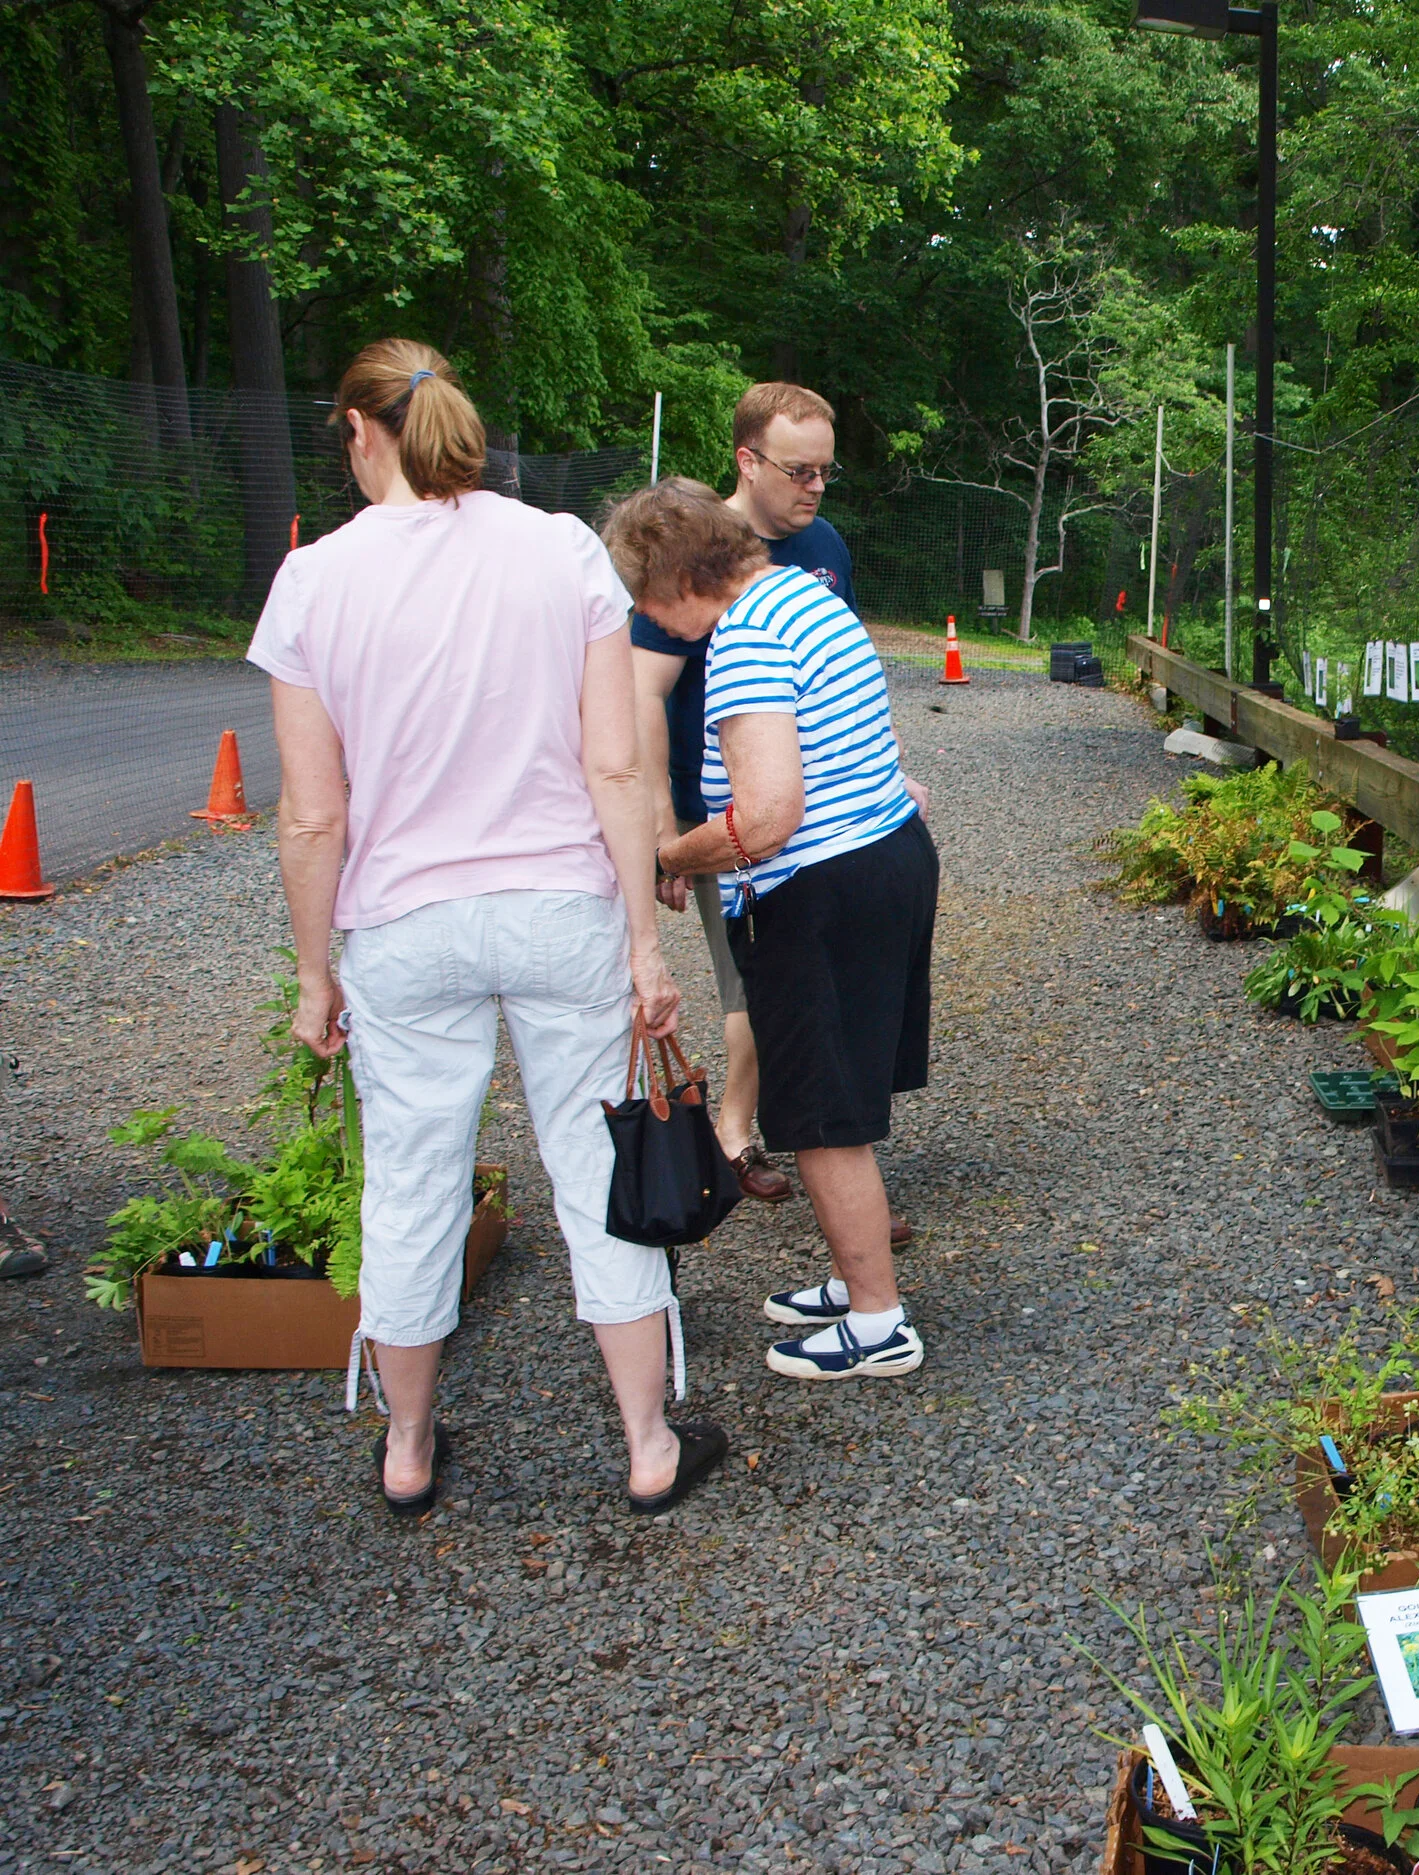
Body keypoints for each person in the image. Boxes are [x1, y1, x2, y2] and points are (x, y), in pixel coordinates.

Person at [255, 339, 725, 1515]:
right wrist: (641, 941)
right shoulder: (560, 547)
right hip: (559, 909)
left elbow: (314, 815)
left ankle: (408, 1448)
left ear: (362, 432)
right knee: (597, 1167)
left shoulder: (313, 582)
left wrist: (316, 975)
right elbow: (616, 765)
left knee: (411, 1185)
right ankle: (646, 1445)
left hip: (405, 927)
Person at [603, 478, 936, 1382]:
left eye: (647, 600)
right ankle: (850, 1274)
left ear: (677, 577)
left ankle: (878, 1320)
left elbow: (769, 812)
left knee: (824, 1117)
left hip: (822, 890)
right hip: (882, 857)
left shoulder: (746, 636)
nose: (651, 621)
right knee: (829, 1098)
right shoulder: (801, 595)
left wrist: (674, 855)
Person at [629, 382, 912, 1246]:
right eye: (799, 469)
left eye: (827, 470)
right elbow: (644, 695)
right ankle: (749, 1137)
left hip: (800, 833)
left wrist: (881, 776)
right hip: (723, 816)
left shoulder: (815, 555)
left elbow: (831, 695)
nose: (816, 486)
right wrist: (666, 834)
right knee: (754, 988)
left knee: (799, 1016)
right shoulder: (686, 548)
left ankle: (822, 1193)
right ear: (746, 460)